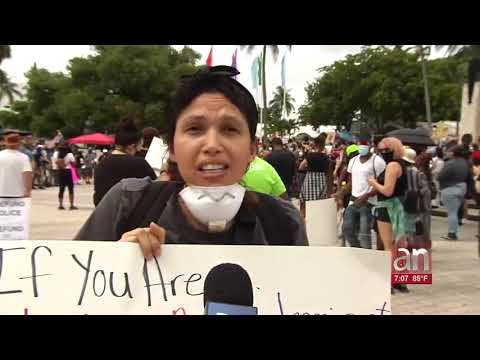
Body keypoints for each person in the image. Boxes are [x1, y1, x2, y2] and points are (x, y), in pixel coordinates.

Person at [75, 65, 308, 253]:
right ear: (173, 148)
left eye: (229, 129)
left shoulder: (284, 224)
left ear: (251, 149)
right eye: (195, 129)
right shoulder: (127, 204)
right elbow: (64, 289)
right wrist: (113, 265)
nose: (213, 145)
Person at [368, 138, 414, 294]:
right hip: (400, 208)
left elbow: (387, 190)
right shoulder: (403, 164)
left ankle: (389, 281)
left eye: (383, 149)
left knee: (389, 246)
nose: (381, 152)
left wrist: (373, 182)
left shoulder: (392, 166)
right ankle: (401, 281)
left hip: (387, 208)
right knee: (400, 246)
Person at [93, 118, 157, 207]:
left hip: (104, 214)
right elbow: (156, 190)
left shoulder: (102, 163)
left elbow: (98, 197)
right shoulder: (139, 163)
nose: (140, 149)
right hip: (130, 216)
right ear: (132, 146)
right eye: (139, 145)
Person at [341, 141, 386, 249]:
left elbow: (383, 184)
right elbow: (351, 183)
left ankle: (367, 256)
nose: (362, 147)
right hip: (353, 201)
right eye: (360, 144)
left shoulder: (377, 161)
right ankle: (358, 251)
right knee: (347, 229)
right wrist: (341, 193)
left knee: (364, 233)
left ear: (370, 145)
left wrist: (366, 196)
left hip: (369, 203)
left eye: (365, 144)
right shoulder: (353, 161)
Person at [437, 145, 470, 240]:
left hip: (450, 188)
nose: (447, 153)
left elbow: (440, 176)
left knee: (452, 212)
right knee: (454, 211)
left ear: (453, 153)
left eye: (449, 151)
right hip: (462, 187)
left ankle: (452, 233)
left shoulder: (450, 163)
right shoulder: (465, 163)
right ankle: (453, 231)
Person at [299, 135, 333, 218]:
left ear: (315, 144)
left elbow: (301, 167)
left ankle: (303, 223)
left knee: (304, 205)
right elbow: (329, 174)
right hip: (321, 181)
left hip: (309, 181)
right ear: (323, 145)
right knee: (319, 205)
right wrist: (329, 192)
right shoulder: (326, 158)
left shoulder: (310, 156)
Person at [0, 130, 33, 198]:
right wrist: (28, 191)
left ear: (5, 143)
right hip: (18, 194)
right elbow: (27, 175)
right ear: (19, 143)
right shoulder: (23, 157)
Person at [52, 143, 78, 210]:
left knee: (61, 189)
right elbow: (74, 163)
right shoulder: (69, 154)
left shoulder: (56, 154)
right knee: (70, 189)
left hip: (61, 171)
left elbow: (55, 162)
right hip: (68, 172)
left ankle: (60, 205)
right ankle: (71, 205)